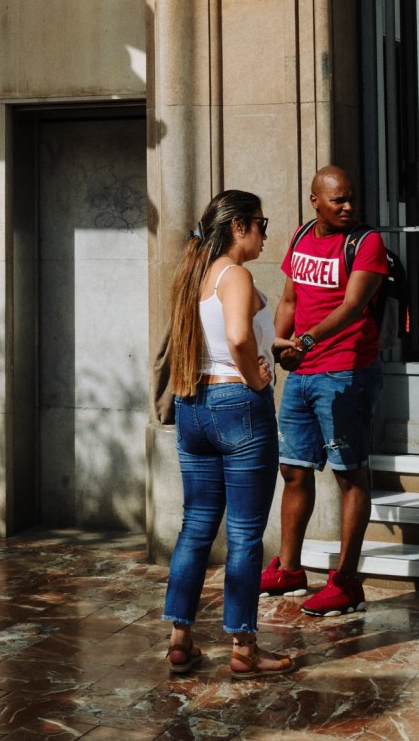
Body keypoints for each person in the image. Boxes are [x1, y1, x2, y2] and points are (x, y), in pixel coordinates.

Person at [162, 191, 293, 681]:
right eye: (261, 224)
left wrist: (268, 348)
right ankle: (243, 647)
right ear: (238, 226)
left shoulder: (194, 274)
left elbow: (221, 337)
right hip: (237, 405)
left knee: (196, 527)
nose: (265, 234)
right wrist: (257, 380)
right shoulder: (235, 274)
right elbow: (237, 338)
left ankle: (180, 641)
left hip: (193, 404)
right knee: (243, 534)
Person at [264, 165, 388, 615]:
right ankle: (290, 570)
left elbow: (354, 306)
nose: (349, 206)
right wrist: (275, 346)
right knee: (294, 469)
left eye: (352, 197)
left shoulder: (366, 242)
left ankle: (347, 581)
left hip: (345, 373)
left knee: (350, 476)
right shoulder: (301, 237)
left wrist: (306, 342)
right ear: (315, 201)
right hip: (302, 374)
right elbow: (290, 300)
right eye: (339, 200)